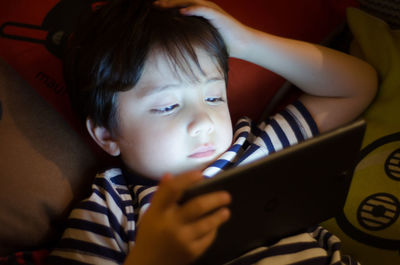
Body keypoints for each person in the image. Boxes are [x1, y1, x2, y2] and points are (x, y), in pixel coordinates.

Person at [47, 0, 377, 264]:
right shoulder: (111, 206)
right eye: (167, 106)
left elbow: (355, 87)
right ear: (106, 135)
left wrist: (247, 42)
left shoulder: (253, 151)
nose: (204, 121)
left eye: (214, 97)